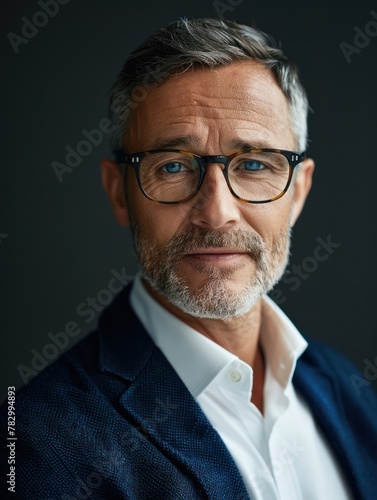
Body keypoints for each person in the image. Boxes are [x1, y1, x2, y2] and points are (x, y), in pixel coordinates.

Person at [1, 17, 376, 500]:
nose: (216, 214)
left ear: (298, 192)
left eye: (256, 164)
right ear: (120, 193)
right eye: (173, 166)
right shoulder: (36, 443)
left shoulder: (347, 388)